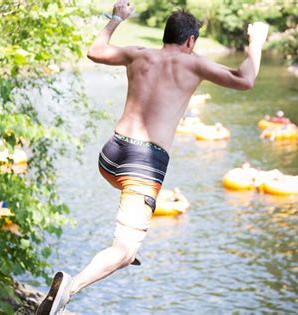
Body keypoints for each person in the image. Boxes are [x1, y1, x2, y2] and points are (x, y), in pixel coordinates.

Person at [36, 1, 269, 313]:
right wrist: (256, 44)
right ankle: (70, 288)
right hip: (143, 164)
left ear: (166, 36)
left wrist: (116, 18)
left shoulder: (138, 54)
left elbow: (95, 51)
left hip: (111, 155)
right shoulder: (195, 64)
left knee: (130, 234)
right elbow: (246, 80)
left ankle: (128, 242)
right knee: (125, 249)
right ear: (191, 40)